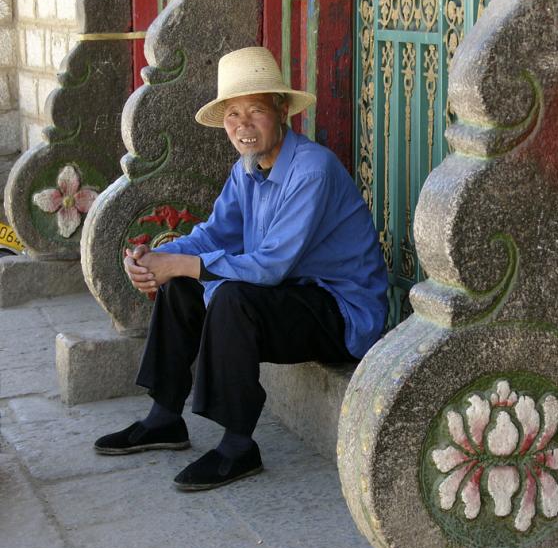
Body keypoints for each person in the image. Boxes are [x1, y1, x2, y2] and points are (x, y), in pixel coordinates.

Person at [94, 46, 388, 491]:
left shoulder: (313, 170)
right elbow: (213, 235)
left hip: (341, 313)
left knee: (231, 296)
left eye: (255, 111)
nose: (242, 126)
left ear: (283, 110)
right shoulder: (246, 169)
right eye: (232, 115)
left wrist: (185, 264)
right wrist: (158, 257)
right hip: (289, 294)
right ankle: (164, 417)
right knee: (181, 287)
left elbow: (269, 267)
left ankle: (237, 446)